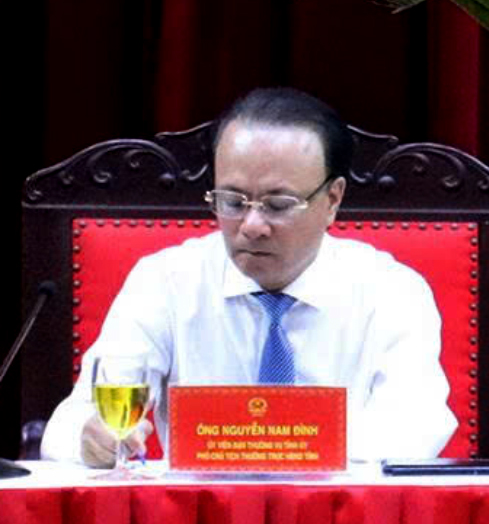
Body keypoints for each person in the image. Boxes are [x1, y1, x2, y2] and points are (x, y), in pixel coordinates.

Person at [41, 87, 458, 464]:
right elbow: (72, 423)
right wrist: (90, 441)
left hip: (341, 517)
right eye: (233, 201)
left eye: (278, 205)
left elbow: (415, 428)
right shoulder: (165, 280)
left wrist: (272, 443)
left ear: (332, 200)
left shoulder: (392, 290)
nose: (253, 226)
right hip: (200, 517)